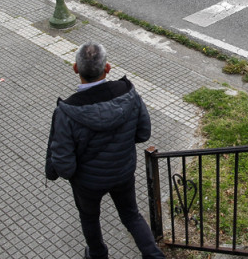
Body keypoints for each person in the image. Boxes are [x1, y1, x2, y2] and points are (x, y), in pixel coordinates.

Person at [46, 42, 166, 259]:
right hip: (122, 173)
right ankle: (154, 256)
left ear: (75, 69)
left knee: (90, 218)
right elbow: (143, 133)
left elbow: (64, 166)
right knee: (131, 216)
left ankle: (98, 254)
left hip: (88, 184)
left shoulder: (67, 112)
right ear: (108, 68)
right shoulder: (129, 94)